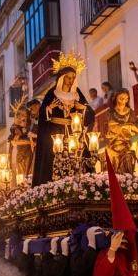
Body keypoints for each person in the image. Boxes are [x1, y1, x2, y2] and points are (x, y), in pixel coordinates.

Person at [32, 52, 95, 186]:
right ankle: (54, 186)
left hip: (74, 133)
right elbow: (43, 115)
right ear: (62, 78)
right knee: (54, 161)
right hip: (56, 134)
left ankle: (82, 183)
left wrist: (82, 108)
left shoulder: (77, 94)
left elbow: (90, 113)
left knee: (80, 158)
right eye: (68, 77)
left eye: (73, 77)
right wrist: (49, 108)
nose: (71, 80)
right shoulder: (52, 93)